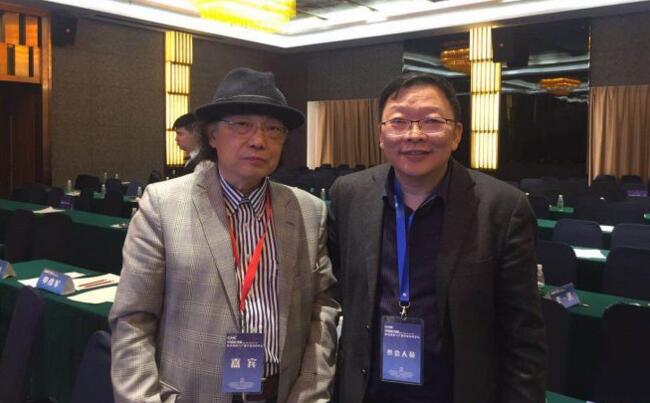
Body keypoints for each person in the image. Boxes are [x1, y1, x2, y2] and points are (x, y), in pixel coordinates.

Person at [110, 67, 340, 403]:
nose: (259, 140)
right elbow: (133, 320)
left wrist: (312, 393)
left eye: (273, 129)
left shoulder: (308, 211)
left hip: (282, 392)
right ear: (212, 135)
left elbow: (322, 311)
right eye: (242, 125)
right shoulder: (163, 204)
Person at [329, 72, 546, 403]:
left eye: (431, 121)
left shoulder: (502, 207)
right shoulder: (349, 195)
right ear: (380, 135)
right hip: (366, 391)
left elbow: (523, 335)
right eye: (398, 122)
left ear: (456, 134)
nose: (414, 135)